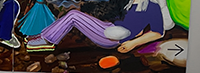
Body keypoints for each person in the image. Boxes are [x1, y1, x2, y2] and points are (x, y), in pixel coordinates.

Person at [26, 0, 172, 53]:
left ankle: (47, 41)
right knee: (74, 14)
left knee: (74, 16)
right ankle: (45, 36)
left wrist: (133, 43)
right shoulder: (127, 2)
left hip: (113, 37)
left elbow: (158, 32)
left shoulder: (152, 7)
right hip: (109, 27)